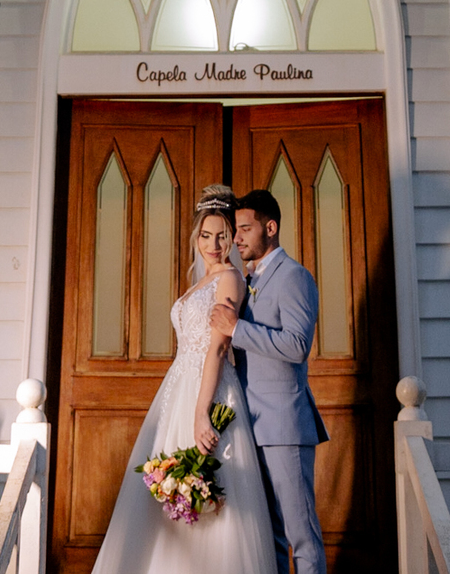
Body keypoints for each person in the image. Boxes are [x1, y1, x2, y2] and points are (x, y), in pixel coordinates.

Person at [91, 184, 276, 574]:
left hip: (208, 393)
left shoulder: (229, 279)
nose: (214, 244)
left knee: (207, 503)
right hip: (176, 392)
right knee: (165, 500)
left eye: (223, 235)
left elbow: (218, 348)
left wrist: (201, 413)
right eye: (206, 235)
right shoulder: (200, 281)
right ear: (196, 237)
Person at [210, 189, 328, 574]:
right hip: (248, 424)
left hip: (284, 424)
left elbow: (297, 345)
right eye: (236, 230)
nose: (237, 238)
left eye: (245, 229)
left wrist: (236, 327)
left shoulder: (294, 276)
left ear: (271, 228)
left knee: (301, 534)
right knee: (270, 536)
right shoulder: (249, 278)